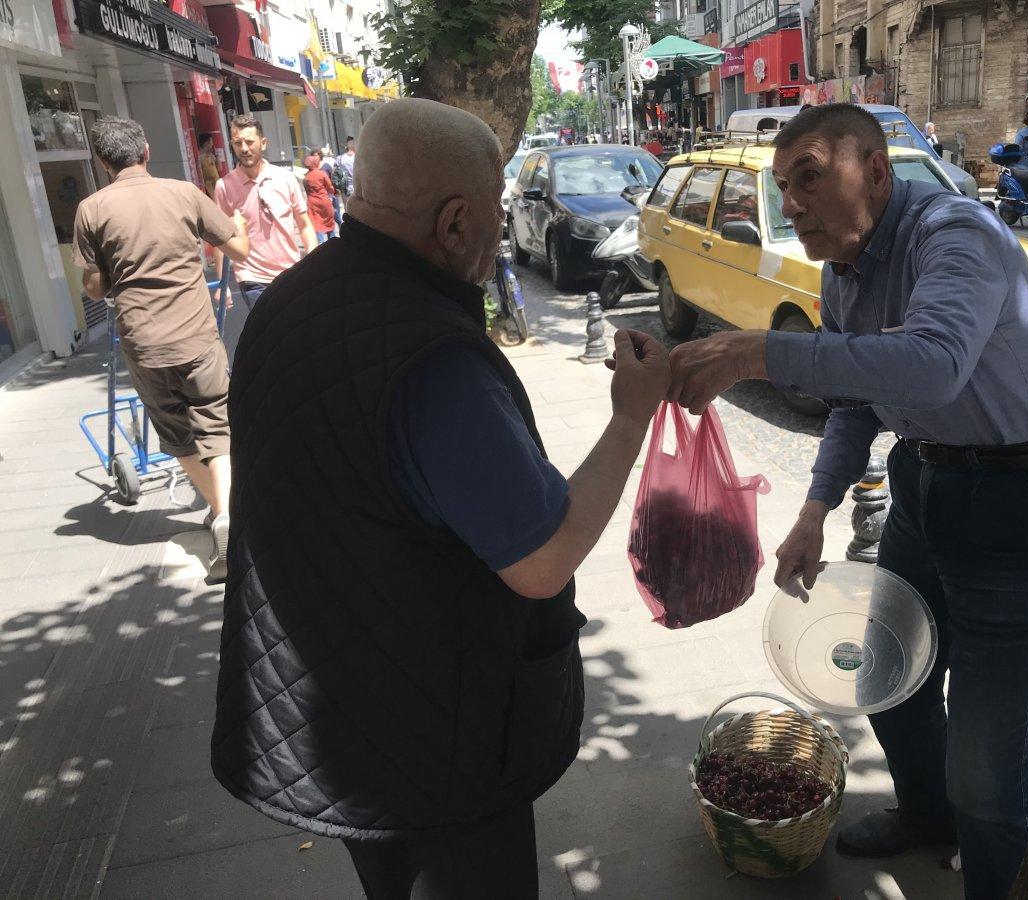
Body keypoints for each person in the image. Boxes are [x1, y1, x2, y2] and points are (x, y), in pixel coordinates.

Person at [210, 98, 671, 898]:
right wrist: (632, 415)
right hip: (430, 735)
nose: (500, 232)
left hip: (335, 699)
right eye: (495, 214)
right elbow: (543, 557)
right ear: (456, 222)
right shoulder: (430, 363)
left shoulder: (290, 299)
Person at [666, 104, 1028, 900]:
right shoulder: (843, 272)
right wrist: (813, 511)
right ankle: (929, 818)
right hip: (925, 485)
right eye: (782, 187)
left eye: (809, 178)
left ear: (873, 169)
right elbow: (859, 398)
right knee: (887, 677)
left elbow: (932, 367)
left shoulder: (954, 233)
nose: (791, 204)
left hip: (1021, 501)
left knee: (987, 772)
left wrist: (757, 350)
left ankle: (997, 867)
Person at [72, 117, 250, 580]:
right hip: (196, 336)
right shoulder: (184, 193)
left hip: (144, 344)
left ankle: (218, 510)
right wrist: (240, 225)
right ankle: (230, 515)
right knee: (217, 425)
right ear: (146, 151)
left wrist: (115, 273)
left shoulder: (91, 210)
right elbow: (240, 250)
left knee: (178, 436)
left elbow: (94, 288)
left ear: (103, 162)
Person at [212, 114, 317, 311]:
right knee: (273, 334)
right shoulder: (224, 187)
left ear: (263, 143)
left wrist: (312, 261)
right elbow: (219, 239)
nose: (244, 148)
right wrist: (222, 284)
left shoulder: (285, 179)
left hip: (291, 272)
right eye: (238, 143)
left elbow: (304, 225)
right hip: (252, 278)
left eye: (250, 142)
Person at [302, 154, 336, 243]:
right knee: (329, 223)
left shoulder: (306, 177)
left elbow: (307, 191)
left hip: (312, 203)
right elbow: (330, 188)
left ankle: (321, 244)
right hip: (324, 201)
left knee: (316, 224)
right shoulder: (322, 174)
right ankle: (332, 242)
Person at [320, 146, 342, 229]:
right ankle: (340, 226)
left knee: (329, 213)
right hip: (331, 190)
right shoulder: (332, 161)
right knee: (336, 212)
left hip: (325, 192)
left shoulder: (321, 164)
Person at [198, 132, 220, 198]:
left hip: (216, 185)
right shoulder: (200, 157)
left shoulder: (210, 155)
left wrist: (217, 156)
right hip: (208, 189)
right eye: (211, 142)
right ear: (206, 143)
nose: (212, 144)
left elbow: (219, 168)